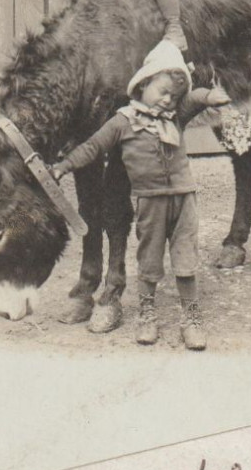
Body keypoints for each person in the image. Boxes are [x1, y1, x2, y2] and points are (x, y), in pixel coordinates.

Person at [51, 40, 230, 350]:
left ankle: (191, 318)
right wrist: (64, 166)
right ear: (143, 83)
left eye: (173, 95)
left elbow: (194, 99)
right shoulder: (122, 122)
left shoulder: (174, 115)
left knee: (186, 260)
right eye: (162, 91)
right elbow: (92, 147)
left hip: (184, 199)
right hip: (150, 202)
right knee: (149, 261)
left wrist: (209, 95)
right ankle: (147, 315)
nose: (167, 100)